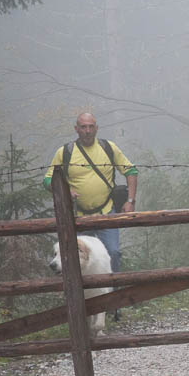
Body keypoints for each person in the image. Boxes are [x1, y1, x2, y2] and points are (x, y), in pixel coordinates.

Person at [43, 112, 138, 274]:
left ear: (97, 129)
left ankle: (112, 292)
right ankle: (84, 296)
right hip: (78, 216)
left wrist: (130, 200)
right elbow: (47, 181)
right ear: (76, 129)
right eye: (83, 127)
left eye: (91, 127)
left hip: (106, 213)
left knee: (113, 253)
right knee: (75, 258)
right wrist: (65, 191)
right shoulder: (65, 152)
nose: (87, 131)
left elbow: (131, 171)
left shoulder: (108, 148)